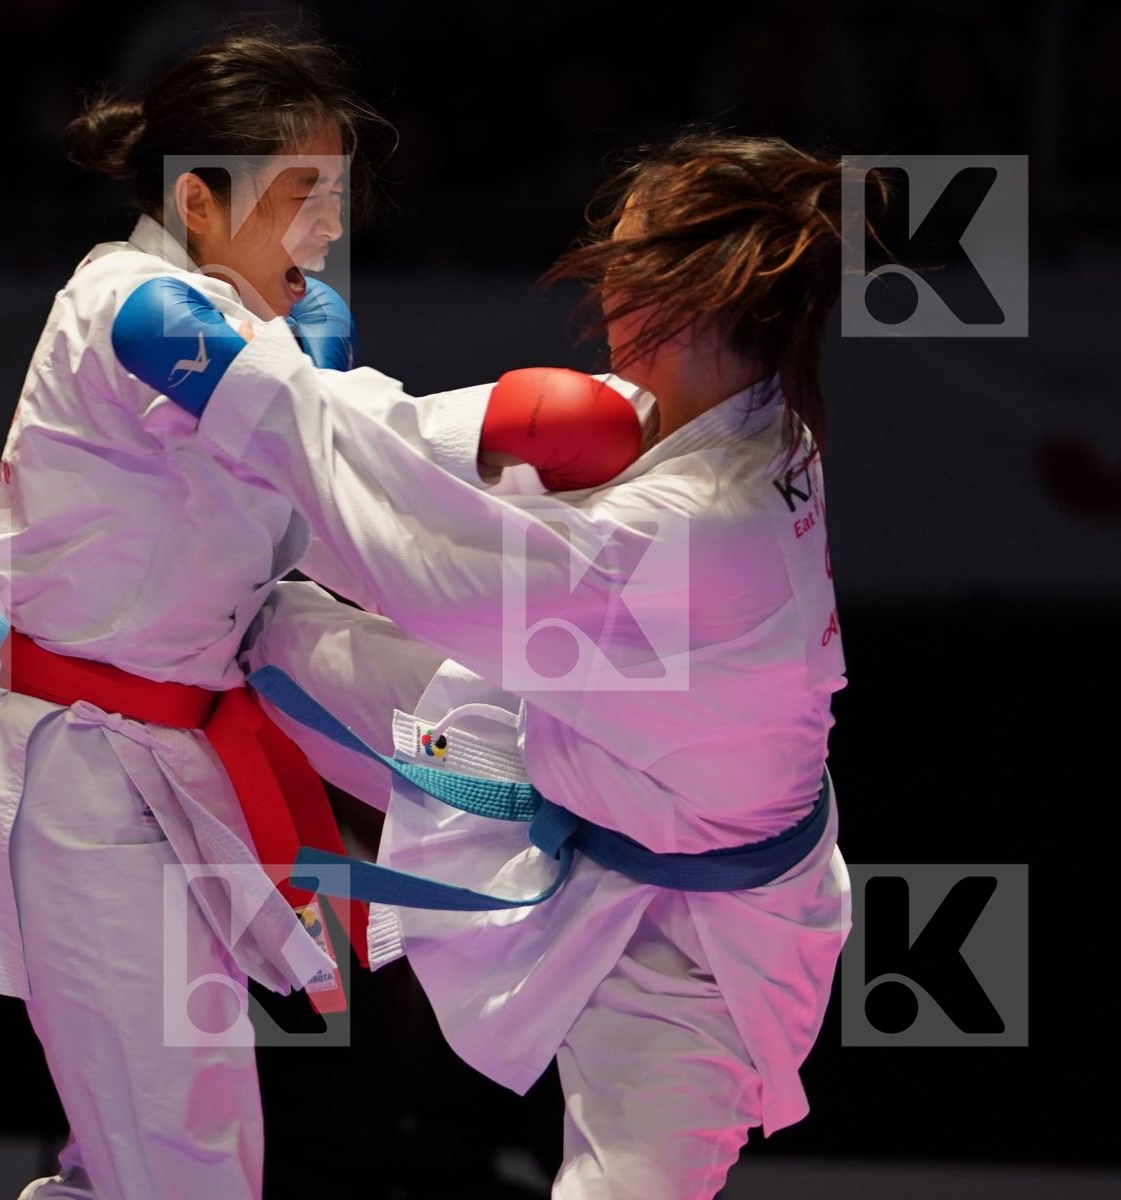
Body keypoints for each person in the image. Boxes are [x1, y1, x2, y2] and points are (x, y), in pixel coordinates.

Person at [0, 26, 641, 1200]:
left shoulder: (267, 330)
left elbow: (321, 485)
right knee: (177, 1155)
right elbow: (325, 448)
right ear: (197, 199)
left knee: (158, 1149)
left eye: (335, 197)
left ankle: (620, 823)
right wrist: (498, 430)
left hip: (192, 738)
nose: (328, 229)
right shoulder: (135, 311)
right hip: (88, 773)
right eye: (300, 197)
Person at [109, 131, 879, 1198]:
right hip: (555, 772)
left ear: (690, 295)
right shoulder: (723, 420)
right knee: (255, 633)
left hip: (698, 961)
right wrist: (303, 385)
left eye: (626, 258)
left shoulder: (698, 526)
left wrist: (250, 400)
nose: (604, 278)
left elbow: (418, 564)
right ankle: (116, 1046)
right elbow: (435, 451)